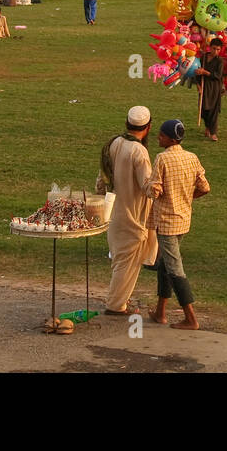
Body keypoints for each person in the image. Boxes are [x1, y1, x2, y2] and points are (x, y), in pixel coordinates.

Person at [146, 118, 210, 330]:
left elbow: (155, 190)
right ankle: (160, 312)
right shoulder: (192, 157)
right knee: (165, 264)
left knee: (174, 268)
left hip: (166, 222)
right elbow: (204, 187)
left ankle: (191, 318)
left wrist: (146, 188)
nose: (158, 137)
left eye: (161, 135)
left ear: (170, 139)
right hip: (184, 218)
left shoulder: (162, 159)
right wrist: (187, 198)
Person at [94, 106, 157, 316]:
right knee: (126, 262)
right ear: (148, 128)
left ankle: (120, 300)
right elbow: (147, 185)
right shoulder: (138, 151)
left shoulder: (114, 143)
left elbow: (101, 179)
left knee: (121, 259)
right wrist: (162, 185)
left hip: (113, 209)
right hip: (133, 213)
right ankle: (115, 305)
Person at [196, 37, 225, 141]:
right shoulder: (203, 58)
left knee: (213, 110)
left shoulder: (220, 61)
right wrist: (198, 86)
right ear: (209, 47)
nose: (215, 51)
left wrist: (205, 72)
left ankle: (213, 133)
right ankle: (207, 126)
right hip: (203, 87)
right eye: (213, 49)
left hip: (214, 88)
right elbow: (197, 73)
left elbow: (218, 75)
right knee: (203, 110)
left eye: (218, 49)